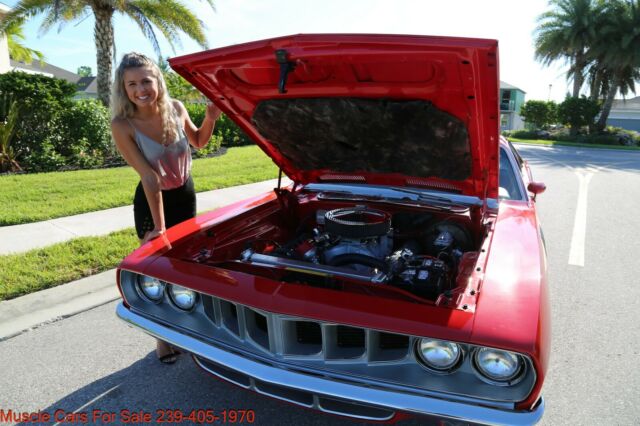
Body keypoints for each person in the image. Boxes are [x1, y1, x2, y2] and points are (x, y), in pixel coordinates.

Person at [111, 52, 221, 364]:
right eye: (131, 83)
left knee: (184, 269)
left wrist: (210, 117)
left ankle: (184, 330)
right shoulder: (123, 125)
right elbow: (148, 177)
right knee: (158, 273)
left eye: (146, 80)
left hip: (184, 194)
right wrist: (159, 228)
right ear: (123, 88)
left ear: (158, 80)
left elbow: (198, 141)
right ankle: (162, 339)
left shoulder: (176, 108)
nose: (140, 89)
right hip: (152, 201)